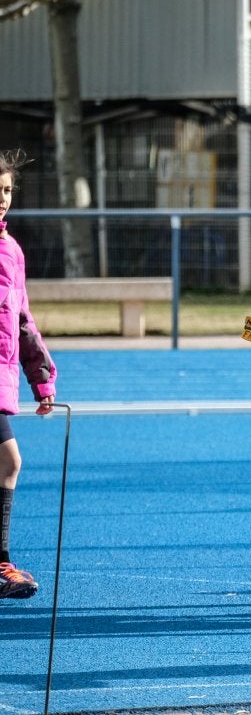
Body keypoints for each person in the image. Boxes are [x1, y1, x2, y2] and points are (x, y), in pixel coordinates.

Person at [0, 150, 56, 600]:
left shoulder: (11, 251)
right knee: (8, 461)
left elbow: (22, 321)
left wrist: (41, 379)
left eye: (6, 191)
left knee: (8, 462)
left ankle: (0, 562)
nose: (2, 199)